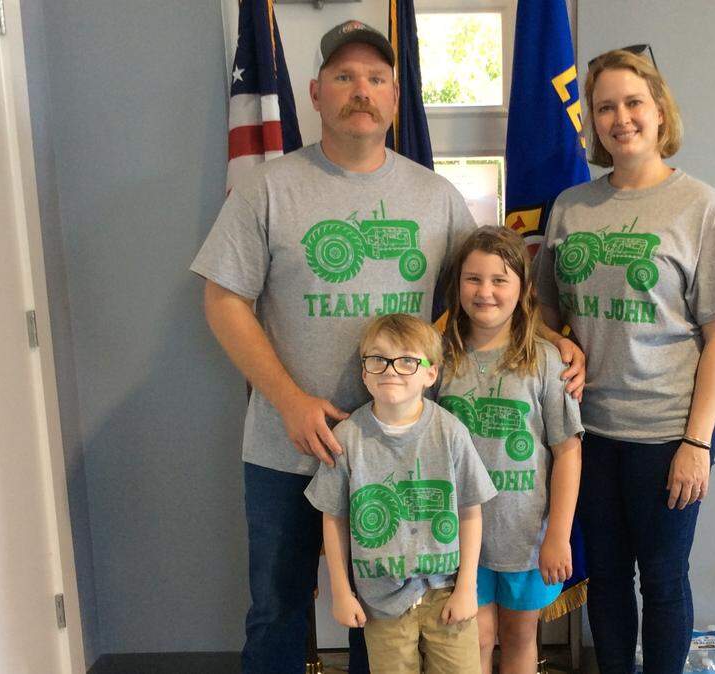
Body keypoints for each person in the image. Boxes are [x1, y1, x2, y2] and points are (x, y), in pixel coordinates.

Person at [190, 19, 481, 674]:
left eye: (376, 78)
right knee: (277, 608)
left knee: (384, 617)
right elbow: (222, 299)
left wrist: (550, 344)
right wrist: (290, 401)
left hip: (400, 452)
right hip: (287, 445)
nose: (361, 90)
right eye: (345, 76)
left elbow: (487, 293)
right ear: (316, 92)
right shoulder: (267, 189)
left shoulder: (435, 197)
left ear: (395, 97)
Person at [532, 47, 715, 674]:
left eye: (633, 102)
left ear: (659, 110)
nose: (620, 118)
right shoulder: (570, 207)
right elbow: (544, 316)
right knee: (606, 579)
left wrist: (696, 442)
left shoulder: (701, 207)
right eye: (605, 107)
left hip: (667, 434)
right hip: (586, 432)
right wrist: (559, 341)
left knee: (662, 579)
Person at [305, 314, 497, 674]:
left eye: (407, 360)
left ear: (431, 373)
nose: (391, 370)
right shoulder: (348, 438)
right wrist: (341, 592)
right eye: (378, 359)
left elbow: (471, 511)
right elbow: (334, 518)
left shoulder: (451, 433)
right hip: (381, 600)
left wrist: (467, 587)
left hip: (446, 593)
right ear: (364, 373)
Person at [438, 227, 584, 674]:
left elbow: (567, 452)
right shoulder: (439, 358)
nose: (485, 292)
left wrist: (558, 534)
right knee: (476, 639)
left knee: (520, 638)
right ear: (458, 284)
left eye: (499, 280)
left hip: (526, 535)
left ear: (523, 288)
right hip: (459, 537)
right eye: (473, 279)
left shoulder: (545, 360)